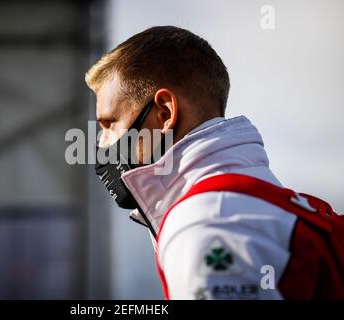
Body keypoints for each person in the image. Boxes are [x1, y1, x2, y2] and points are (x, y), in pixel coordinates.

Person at [85, 26, 344, 299]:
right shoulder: (280, 209)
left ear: (164, 113)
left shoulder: (208, 224)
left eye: (110, 124)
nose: (102, 144)